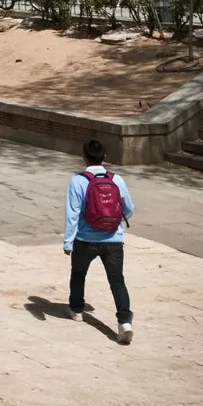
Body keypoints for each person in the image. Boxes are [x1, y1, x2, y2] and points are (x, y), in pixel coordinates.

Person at [65, 138, 135, 344]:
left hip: (85, 240)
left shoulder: (78, 181)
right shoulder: (117, 179)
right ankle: (125, 322)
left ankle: (77, 309)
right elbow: (129, 209)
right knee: (117, 281)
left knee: (78, 274)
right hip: (113, 240)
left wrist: (68, 242)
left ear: (84, 157)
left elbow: (72, 214)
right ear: (104, 157)